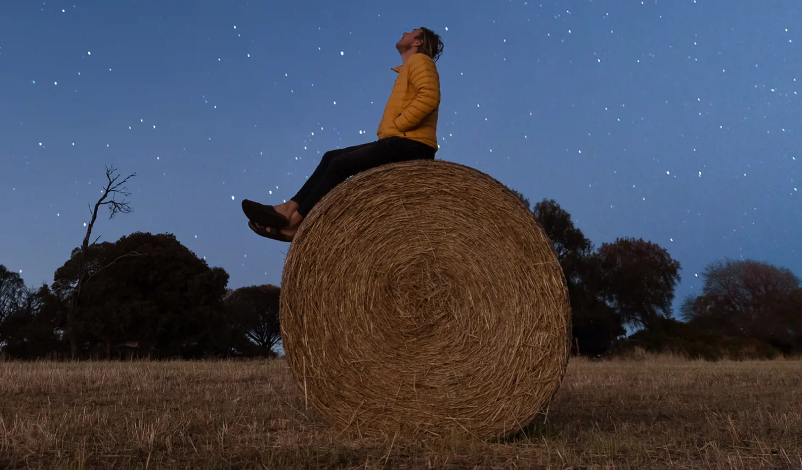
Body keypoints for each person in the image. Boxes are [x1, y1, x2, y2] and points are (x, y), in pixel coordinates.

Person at [242, 27, 444, 242]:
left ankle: (296, 223)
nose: (404, 33)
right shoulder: (408, 68)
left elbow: (429, 97)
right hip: (401, 141)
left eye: (411, 32)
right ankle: (288, 208)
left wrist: (400, 123)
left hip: (412, 145)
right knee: (331, 157)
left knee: (341, 164)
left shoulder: (421, 61)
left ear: (417, 42)